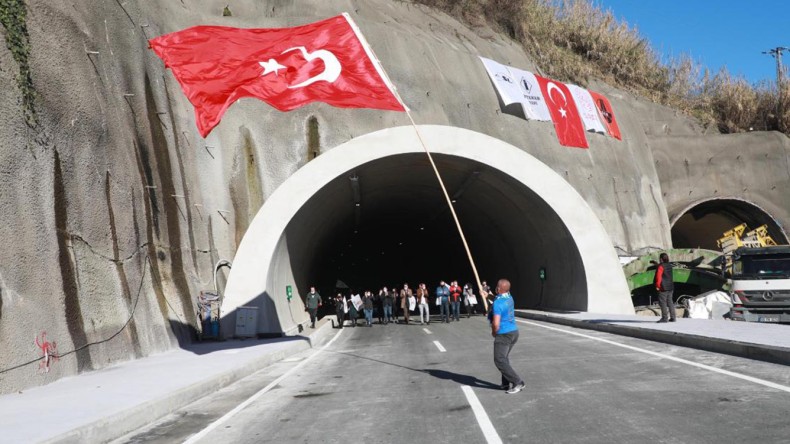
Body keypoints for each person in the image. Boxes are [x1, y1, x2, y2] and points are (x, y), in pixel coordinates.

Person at [483, 279, 525, 394]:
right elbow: (497, 298)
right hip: (514, 332)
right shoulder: (509, 297)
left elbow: (496, 323)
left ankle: (518, 382)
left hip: (504, 334)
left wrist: (494, 332)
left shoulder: (498, 304)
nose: (496, 288)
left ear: (500, 289)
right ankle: (505, 384)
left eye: (497, 286)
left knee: (499, 360)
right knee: (504, 358)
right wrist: (487, 295)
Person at [654, 253, 676, 323]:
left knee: (662, 302)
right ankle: (673, 317)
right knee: (670, 302)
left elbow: (659, 277)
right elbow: (665, 271)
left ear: (661, 259)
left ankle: (664, 318)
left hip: (663, 287)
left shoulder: (661, 266)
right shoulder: (669, 265)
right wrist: (657, 264)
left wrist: (657, 286)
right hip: (670, 287)